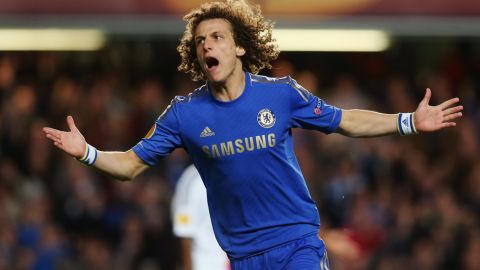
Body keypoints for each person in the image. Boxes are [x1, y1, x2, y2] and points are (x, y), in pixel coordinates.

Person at [43, 0, 463, 269]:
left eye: (218, 37)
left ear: (239, 47)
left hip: (297, 243)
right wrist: (89, 153)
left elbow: (345, 120)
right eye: (200, 40)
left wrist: (408, 121)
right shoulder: (183, 114)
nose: (208, 44)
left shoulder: (281, 95)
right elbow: (132, 165)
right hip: (242, 259)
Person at [172, 164, 230, 270]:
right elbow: (184, 233)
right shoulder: (190, 179)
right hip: (206, 264)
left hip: (238, 260)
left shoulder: (234, 170)